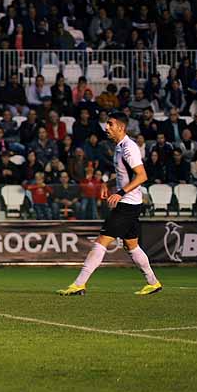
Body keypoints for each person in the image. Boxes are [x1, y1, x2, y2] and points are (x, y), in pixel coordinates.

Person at [58, 112, 162, 296]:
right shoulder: (119, 147)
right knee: (132, 246)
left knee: (101, 241)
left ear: (121, 127)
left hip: (128, 204)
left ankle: (79, 284)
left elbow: (142, 176)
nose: (107, 127)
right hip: (130, 202)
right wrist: (109, 184)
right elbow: (125, 176)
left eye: (111, 124)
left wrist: (120, 193)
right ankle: (153, 283)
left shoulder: (129, 148)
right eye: (107, 124)